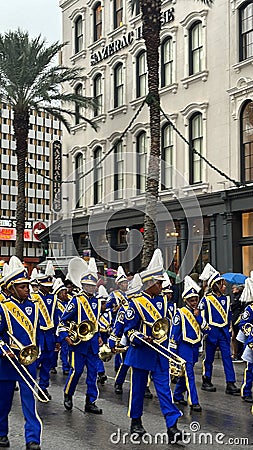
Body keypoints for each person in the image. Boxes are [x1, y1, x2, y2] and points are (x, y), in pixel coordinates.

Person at [124, 249, 182, 443]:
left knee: (165, 390)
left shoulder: (165, 301)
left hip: (160, 353)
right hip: (141, 352)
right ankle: (136, 421)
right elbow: (129, 330)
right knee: (138, 389)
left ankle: (172, 426)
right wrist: (141, 337)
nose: (162, 286)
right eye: (159, 283)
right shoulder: (136, 303)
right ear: (150, 284)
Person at [0, 259, 42, 450]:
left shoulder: (34, 306)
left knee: (29, 402)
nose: (27, 289)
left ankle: (32, 439)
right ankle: (1, 434)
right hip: (7, 361)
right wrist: (3, 348)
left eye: (27, 286)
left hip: (28, 360)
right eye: (22, 286)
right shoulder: (3, 307)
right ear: (11, 288)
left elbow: (37, 332)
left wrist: (38, 352)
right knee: (3, 403)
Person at [58, 257, 103, 414]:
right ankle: (68, 394)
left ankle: (90, 401)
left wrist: (98, 335)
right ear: (82, 285)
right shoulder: (76, 300)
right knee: (76, 371)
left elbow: (95, 322)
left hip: (92, 343)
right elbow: (63, 321)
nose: (90, 288)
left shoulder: (97, 302)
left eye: (93, 286)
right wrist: (65, 336)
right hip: (77, 343)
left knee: (93, 373)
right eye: (88, 285)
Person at [170, 276, 210, 412]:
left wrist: (199, 317)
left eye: (195, 300)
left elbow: (206, 328)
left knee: (185, 373)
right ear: (186, 300)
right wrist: (172, 353)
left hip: (194, 347)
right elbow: (174, 334)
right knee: (189, 374)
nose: (194, 302)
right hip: (184, 347)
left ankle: (177, 394)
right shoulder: (180, 313)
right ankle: (194, 401)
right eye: (191, 300)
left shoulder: (199, 313)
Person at [199, 263, 240, 395]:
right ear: (215, 285)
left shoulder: (226, 299)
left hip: (223, 332)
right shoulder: (206, 299)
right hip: (212, 331)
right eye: (221, 284)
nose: (224, 286)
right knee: (209, 358)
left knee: (227, 357)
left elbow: (228, 316)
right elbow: (201, 315)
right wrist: (206, 330)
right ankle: (207, 379)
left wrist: (229, 330)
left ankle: (230, 382)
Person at [31, 263, 59, 401]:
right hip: (37, 335)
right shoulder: (33, 297)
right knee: (35, 362)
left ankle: (43, 388)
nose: (48, 287)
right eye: (45, 285)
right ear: (40, 285)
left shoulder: (54, 298)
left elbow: (56, 318)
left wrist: (57, 338)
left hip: (49, 335)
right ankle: (30, 386)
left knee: (47, 363)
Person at [238, 275, 253, 403]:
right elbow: (244, 324)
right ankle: (246, 391)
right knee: (251, 369)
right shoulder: (250, 308)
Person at [50, 278, 70, 376]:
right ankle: (52, 365)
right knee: (55, 349)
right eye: (64, 293)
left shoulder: (68, 303)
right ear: (59, 293)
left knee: (65, 350)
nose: (66, 294)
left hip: (66, 329)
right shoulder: (55, 303)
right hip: (56, 329)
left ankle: (66, 367)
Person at [230, 284, 244, 362]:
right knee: (234, 337)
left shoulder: (240, 297)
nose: (232, 290)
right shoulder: (234, 297)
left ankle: (239, 354)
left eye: (234, 288)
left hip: (238, 319)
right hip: (234, 318)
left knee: (238, 337)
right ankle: (235, 353)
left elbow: (234, 306)